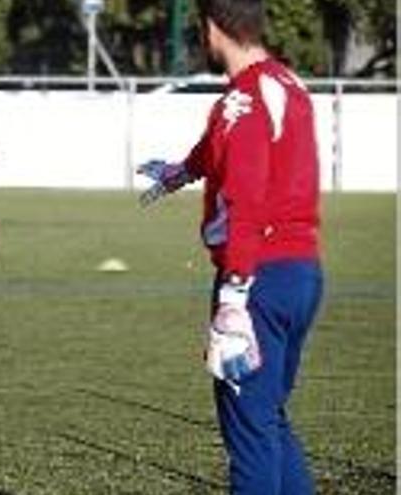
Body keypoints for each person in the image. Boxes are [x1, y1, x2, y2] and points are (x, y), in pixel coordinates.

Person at [137, 1, 322, 493]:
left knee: (250, 434)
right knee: (268, 419)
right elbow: (228, 149)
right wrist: (184, 170)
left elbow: (245, 197)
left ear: (212, 28)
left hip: (257, 277)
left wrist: (234, 296)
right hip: (300, 271)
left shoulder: (243, 97)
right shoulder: (286, 83)